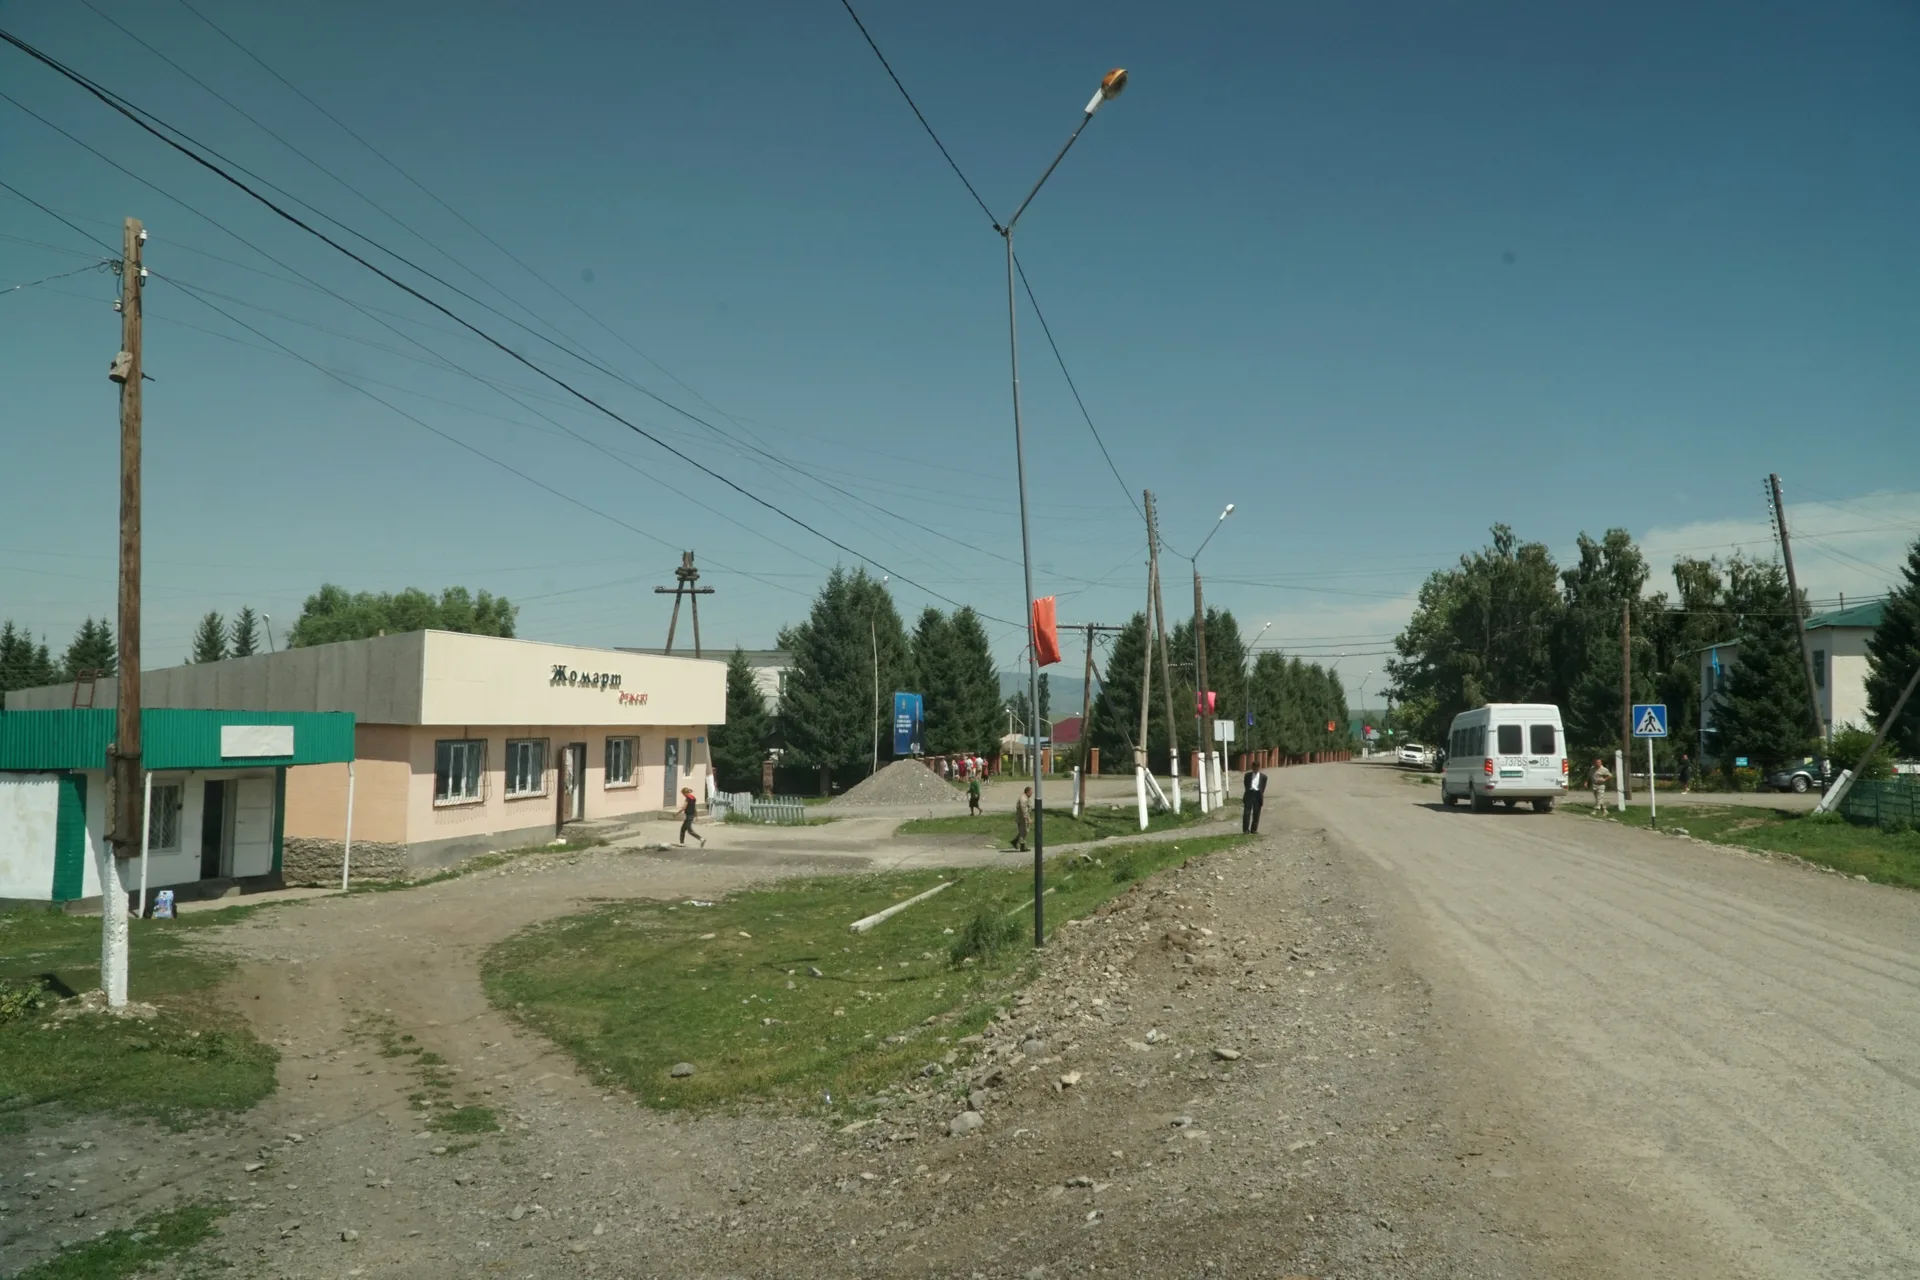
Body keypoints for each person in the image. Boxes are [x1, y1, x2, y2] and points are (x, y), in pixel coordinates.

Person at [1241, 763, 1267, 834]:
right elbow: (1246, 784)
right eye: (1254, 767)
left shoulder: (1264, 777)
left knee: (1256, 813)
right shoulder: (1247, 775)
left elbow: (1263, 787)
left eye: (1257, 767)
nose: (1255, 769)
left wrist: (1259, 793)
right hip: (1249, 794)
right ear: (1252, 767)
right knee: (1247, 813)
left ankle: (1254, 829)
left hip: (1257, 795)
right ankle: (1245, 830)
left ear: (1259, 767)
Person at [1013, 786, 1031, 852]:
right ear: (1028, 792)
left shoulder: (1025, 798)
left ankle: (1015, 842)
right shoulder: (1023, 799)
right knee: (1024, 832)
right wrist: (1028, 818)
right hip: (1022, 818)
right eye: (1031, 792)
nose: (1031, 794)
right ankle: (1022, 847)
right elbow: (1024, 810)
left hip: (1022, 818)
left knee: (1023, 831)